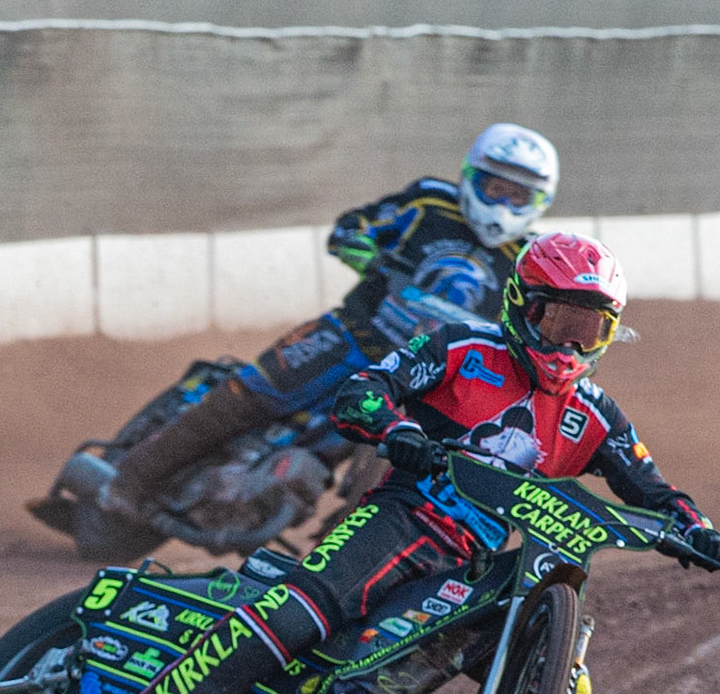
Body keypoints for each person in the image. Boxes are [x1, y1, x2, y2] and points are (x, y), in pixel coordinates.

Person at [56, 232, 720, 694]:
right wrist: (397, 429)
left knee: (555, 688)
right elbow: (363, 392)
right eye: (562, 321)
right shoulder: (462, 347)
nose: (574, 340)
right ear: (524, 308)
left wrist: (695, 529)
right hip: (404, 517)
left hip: (479, 564)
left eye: (592, 327)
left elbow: (652, 486)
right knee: (300, 612)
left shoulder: (596, 414)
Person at [95, 123, 562, 522]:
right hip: (352, 335)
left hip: (417, 378)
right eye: (494, 187)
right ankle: (130, 481)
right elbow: (354, 226)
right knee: (247, 395)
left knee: (409, 467)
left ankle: (339, 551)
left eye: (518, 195)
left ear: (539, 201)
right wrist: (359, 246)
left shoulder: (529, 260)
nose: (503, 202)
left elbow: (541, 322)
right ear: (470, 179)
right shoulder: (429, 204)